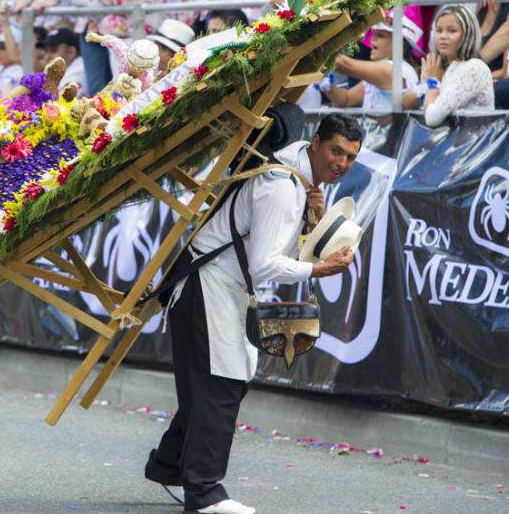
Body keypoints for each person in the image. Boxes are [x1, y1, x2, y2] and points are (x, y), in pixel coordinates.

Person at [144, 113, 360, 514]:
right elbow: (265, 265)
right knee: (219, 385)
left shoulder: (295, 172)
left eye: (350, 158)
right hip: (205, 286)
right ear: (314, 143)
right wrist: (319, 269)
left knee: (221, 383)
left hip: (211, 287)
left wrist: (313, 217)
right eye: (336, 151)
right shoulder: (283, 187)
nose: (342, 163)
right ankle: (204, 492)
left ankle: (170, 466)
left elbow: (272, 250)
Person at [404, 4, 494, 126]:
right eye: (439, 30)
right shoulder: (440, 67)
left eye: (452, 31)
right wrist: (426, 83)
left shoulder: (474, 68)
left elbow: (432, 118)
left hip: (471, 143)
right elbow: (407, 103)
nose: (443, 36)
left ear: (468, 34)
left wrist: (432, 82)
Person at [322, 16, 421, 112]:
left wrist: (317, 47)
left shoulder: (398, 69)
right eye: (374, 34)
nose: (373, 39)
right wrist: (326, 85)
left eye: (381, 35)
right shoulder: (385, 70)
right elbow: (346, 100)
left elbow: (345, 65)